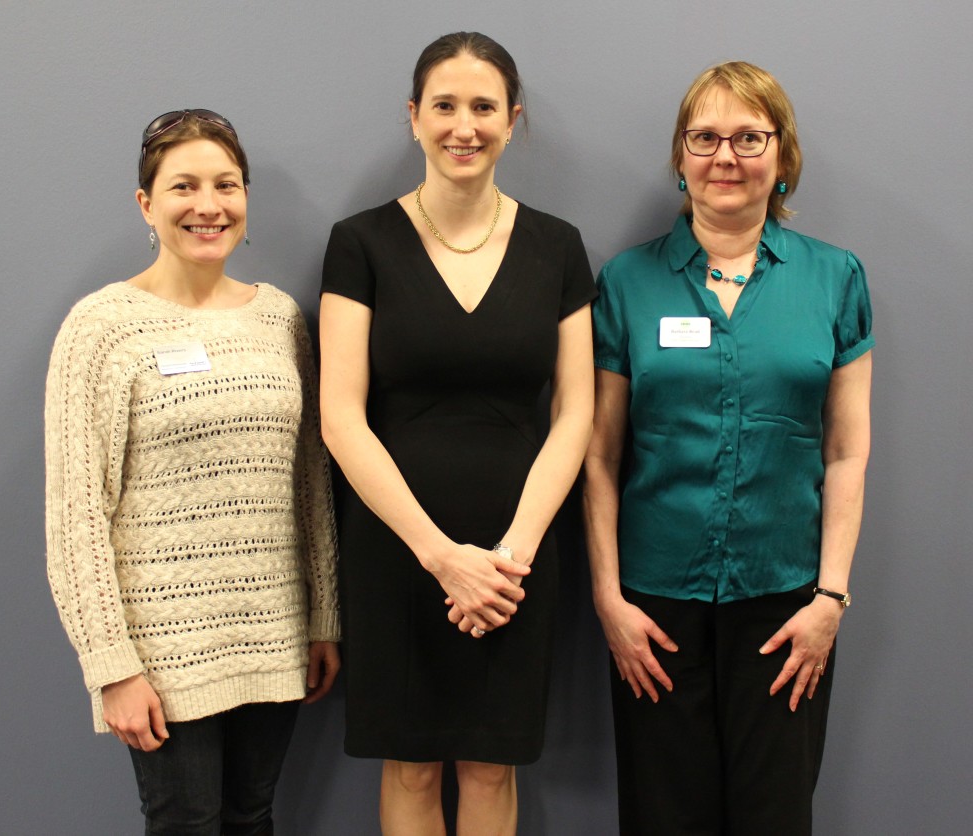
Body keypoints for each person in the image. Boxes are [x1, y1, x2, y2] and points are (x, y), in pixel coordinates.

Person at [584, 62, 874, 835]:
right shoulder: (625, 282)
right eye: (704, 137)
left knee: (774, 816)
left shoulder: (835, 279)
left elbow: (846, 451)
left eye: (749, 137)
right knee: (662, 816)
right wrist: (609, 599)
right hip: (654, 609)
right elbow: (601, 455)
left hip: (788, 606)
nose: (725, 156)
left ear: (782, 156)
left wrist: (831, 600)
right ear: (679, 157)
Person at [319, 32, 596, 835]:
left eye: (483, 107)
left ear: (513, 121)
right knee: (408, 766)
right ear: (414, 117)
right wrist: (440, 557)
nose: (463, 126)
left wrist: (508, 558)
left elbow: (575, 413)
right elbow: (341, 415)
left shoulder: (558, 246)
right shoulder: (360, 243)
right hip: (397, 546)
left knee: (488, 763)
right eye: (444, 106)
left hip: (518, 553)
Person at [45, 109, 340, 835]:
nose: (208, 205)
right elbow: (77, 511)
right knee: (185, 823)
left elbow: (309, 482)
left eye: (226, 185)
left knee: (252, 818)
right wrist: (110, 665)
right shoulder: (101, 326)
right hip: (163, 649)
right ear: (146, 204)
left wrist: (324, 616)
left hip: (273, 630)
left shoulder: (278, 319)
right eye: (184, 187)